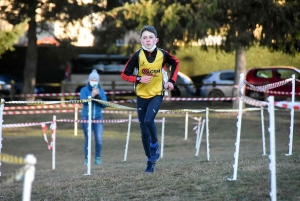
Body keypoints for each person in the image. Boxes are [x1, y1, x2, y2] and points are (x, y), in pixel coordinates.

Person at [121, 25, 180, 173]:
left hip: (157, 93)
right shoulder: (137, 55)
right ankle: (150, 162)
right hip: (141, 95)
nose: (148, 40)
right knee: (143, 132)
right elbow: (124, 74)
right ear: (140, 40)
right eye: (145, 38)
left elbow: (176, 63)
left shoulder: (162, 54)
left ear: (156, 39)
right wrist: (139, 78)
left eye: (150, 37)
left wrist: (171, 81)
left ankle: (155, 146)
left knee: (148, 120)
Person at [80, 69, 107, 165]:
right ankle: (87, 159)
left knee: (98, 138)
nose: (94, 81)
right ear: (89, 80)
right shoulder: (84, 90)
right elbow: (83, 101)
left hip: (98, 118)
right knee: (88, 138)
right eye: (92, 79)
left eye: (96, 80)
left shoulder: (101, 90)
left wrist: (98, 96)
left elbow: (104, 104)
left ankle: (97, 158)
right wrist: (91, 96)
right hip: (86, 118)